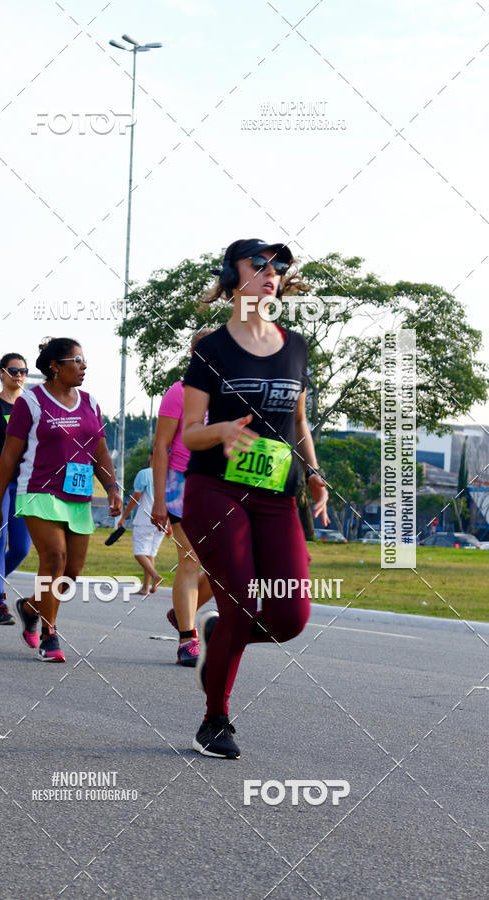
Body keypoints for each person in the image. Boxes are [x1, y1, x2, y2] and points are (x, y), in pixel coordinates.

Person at [181, 238, 330, 759]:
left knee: (290, 617)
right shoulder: (212, 349)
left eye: (279, 266)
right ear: (233, 274)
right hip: (214, 489)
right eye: (259, 264)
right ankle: (214, 720)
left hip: (274, 493)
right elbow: (189, 433)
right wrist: (221, 430)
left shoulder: (296, 346)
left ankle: (224, 633)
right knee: (243, 601)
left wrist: (314, 474)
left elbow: (300, 422)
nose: (272, 272)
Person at [0, 337, 122, 662]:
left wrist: (112, 487)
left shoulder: (90, 403)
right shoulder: (31, 403)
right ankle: (51, 635)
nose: (84, 366)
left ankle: (30, 606)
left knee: (71, 573)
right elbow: (8, 457)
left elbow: (100, 452)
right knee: (54, 558)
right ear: (55, 366)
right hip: (38, 491)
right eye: (76, 361)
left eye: (83, 360)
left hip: (77, 494)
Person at [151, 331, 215, 667]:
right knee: (190, 560)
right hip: (181, 486)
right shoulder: (178, 393)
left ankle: (182, 614)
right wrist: (159, 499)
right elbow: (161, 447)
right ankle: (187, 639)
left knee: (226, 570)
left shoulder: (230, 395)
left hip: (220, 488)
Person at [0, 353, 32, 625]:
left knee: (22, 547)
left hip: (22, 482)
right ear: (1, 372)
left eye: (24, 370)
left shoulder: (30, 406)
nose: (19, 374)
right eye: (13, 370)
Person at [118, 452, 166, 595]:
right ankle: (145, 588)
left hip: (146, 518)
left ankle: (155, 575)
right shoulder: (167, 476)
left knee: (139, 553)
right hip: (162, 520)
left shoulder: (144, 473)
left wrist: (124, 517)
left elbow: (136, 497)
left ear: (150, 458)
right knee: (150, 554)